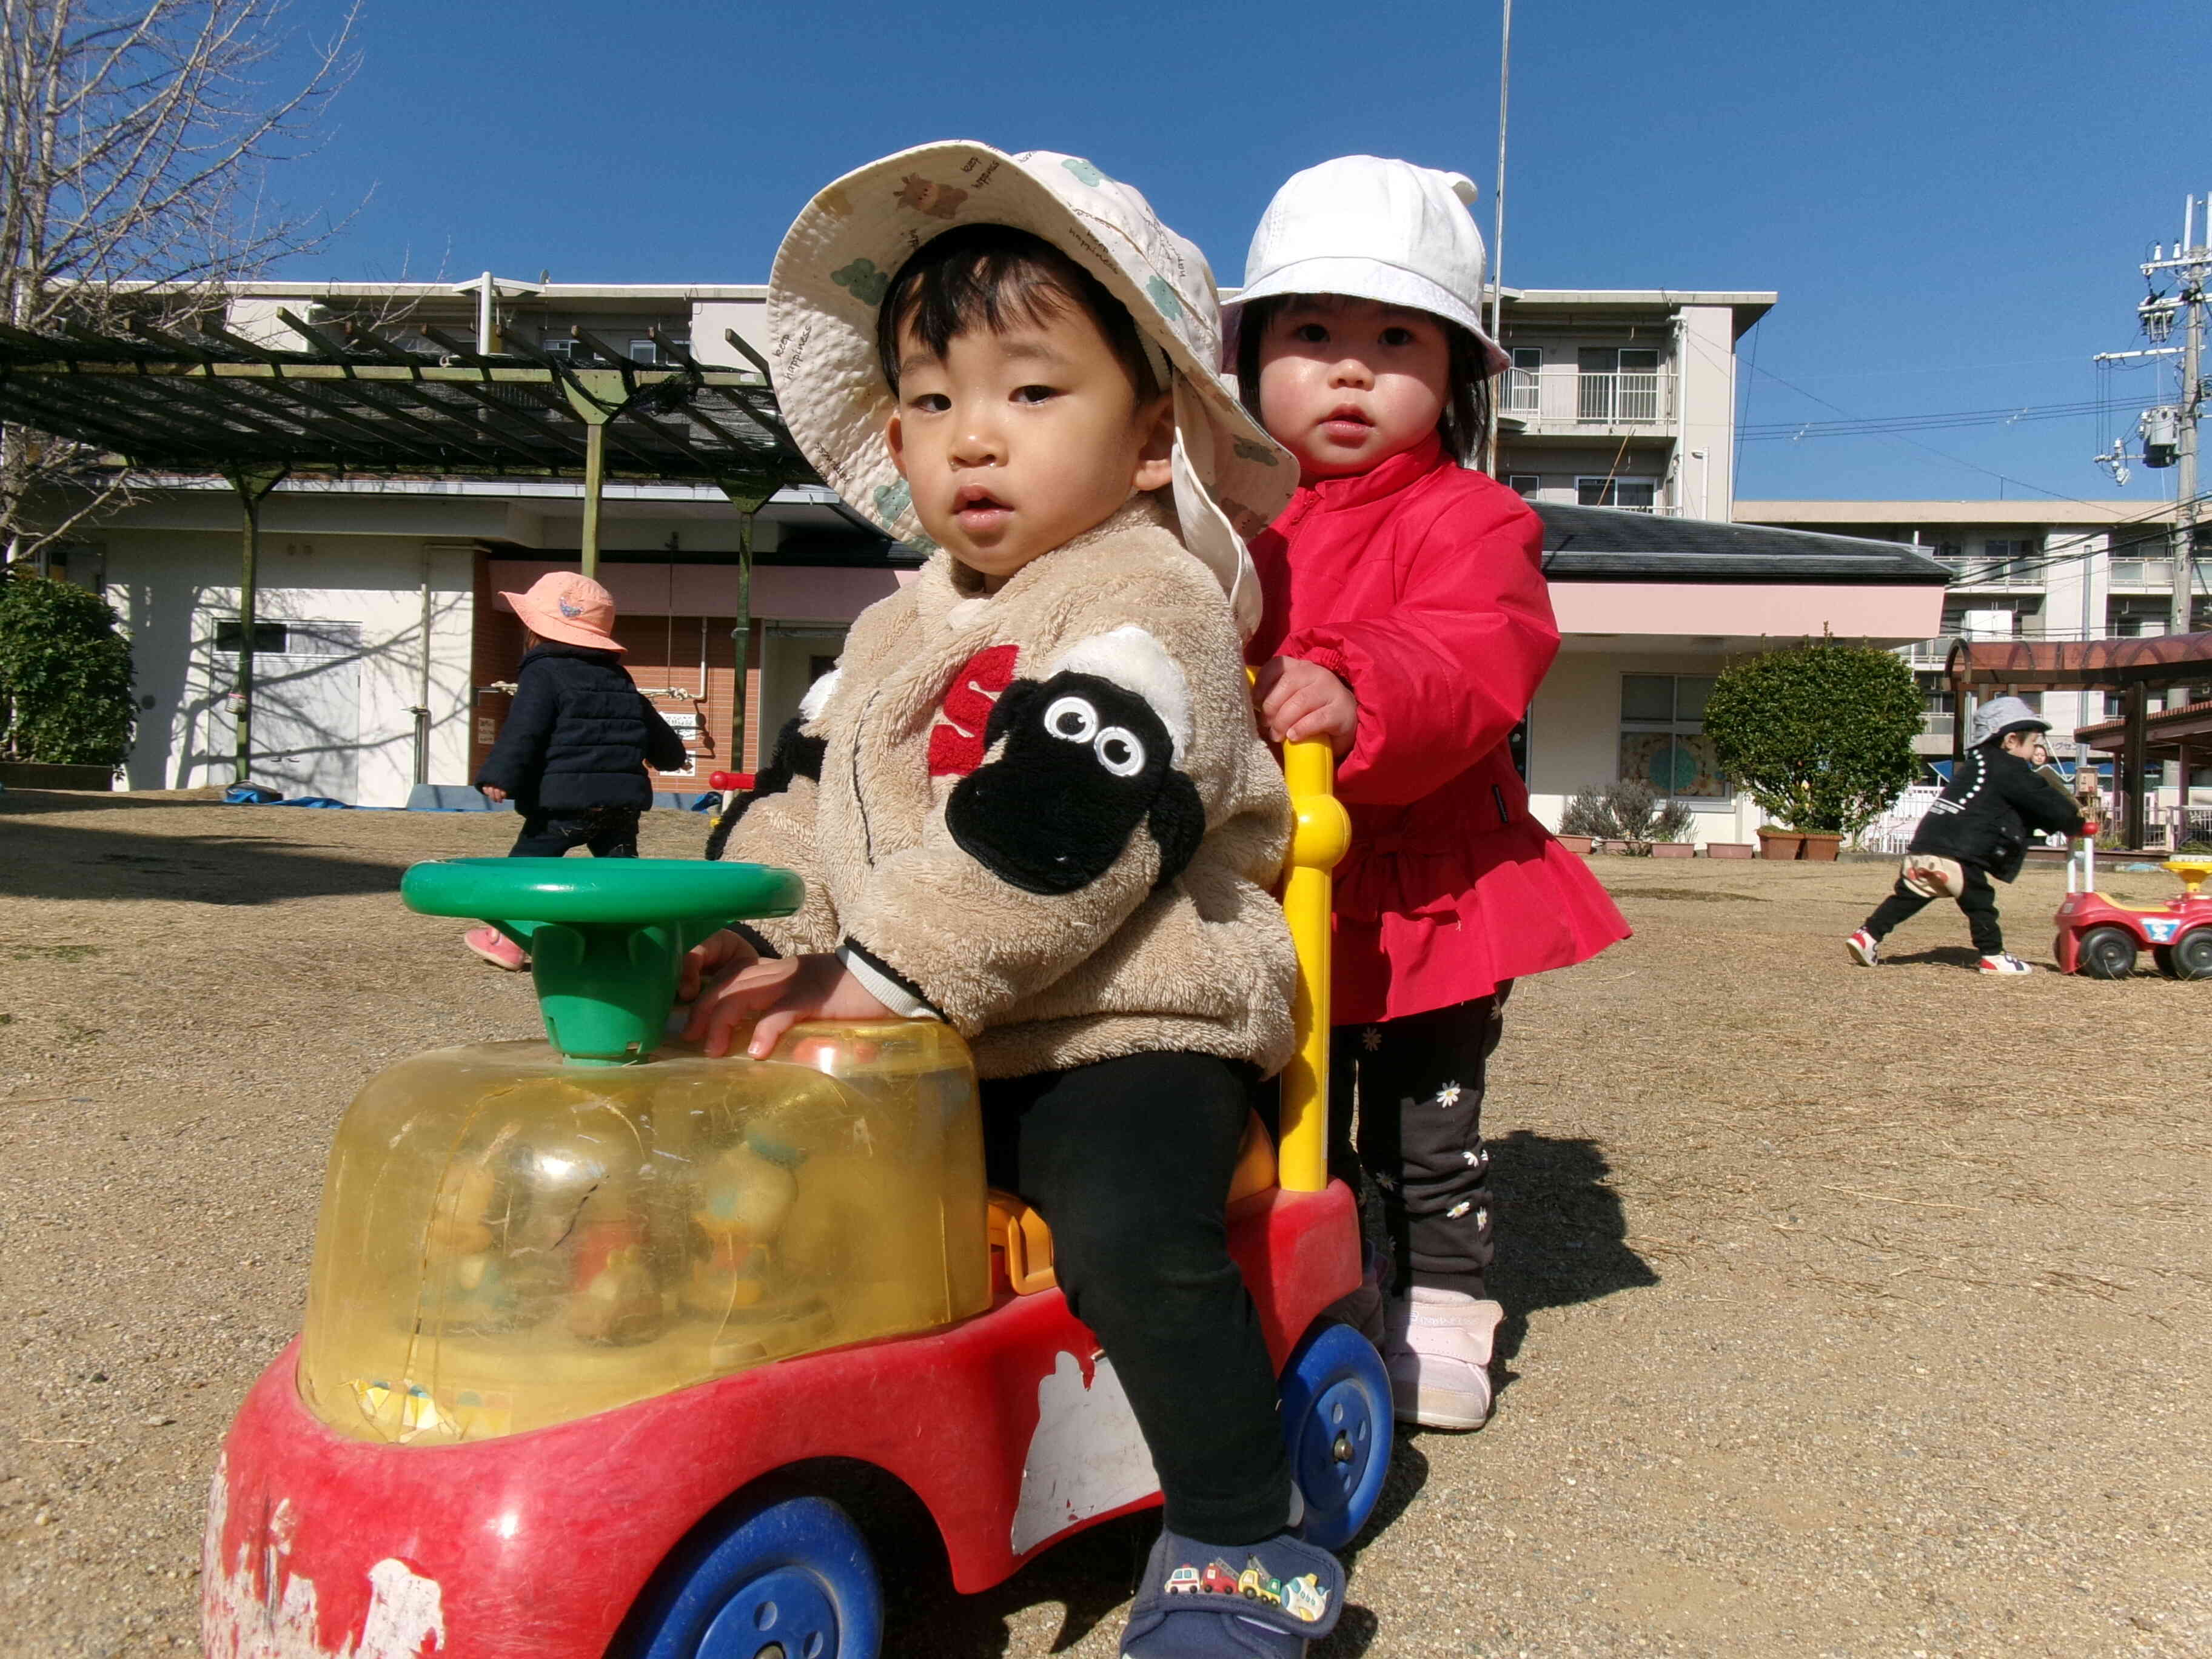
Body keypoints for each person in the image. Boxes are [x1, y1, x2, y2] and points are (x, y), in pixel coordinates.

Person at [679, 144, 1344, 1658]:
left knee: (1126, 1229)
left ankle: (1248, 1530)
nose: (974, 436)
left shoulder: (1145, 601)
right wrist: (709, 934)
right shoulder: (891, 629)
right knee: (726, 1184)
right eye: (931, 399)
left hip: (1127, 1020)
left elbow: (1066, 815)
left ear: (1149, 437)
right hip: (924, 1029)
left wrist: (877, 968)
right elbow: (802, 812)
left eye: (1034, 392)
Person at [1224, 155, 1631, 1433]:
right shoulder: (1218, 520)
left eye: (1395, 339)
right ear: (1248, 365)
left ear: (1452, 372)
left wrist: (1353, 687)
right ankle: (1305, 1294)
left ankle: (1445, 1307)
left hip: (1424, 880)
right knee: (1277, 1108)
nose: (1350, 369)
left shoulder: (1474, 516)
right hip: (1262, 877)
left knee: (1424, 1122)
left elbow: (1478, 650)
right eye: (1313, 335)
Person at [464, 571, 688, 970]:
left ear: (534, 629)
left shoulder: (542, 672)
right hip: (620, 805)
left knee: (524, 872)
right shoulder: (618, 677)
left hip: (561, 806)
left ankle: (511, 942)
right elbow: (651, 725)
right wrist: (671, 757)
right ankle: (630, 946)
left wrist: (499, 774)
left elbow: (525, 729)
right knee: (620, 878)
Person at [1846, 695, 2085, 974]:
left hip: (1926, 846)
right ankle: (1993, 956)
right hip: (1959, 853)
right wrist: (2074, 823)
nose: (2036, 749)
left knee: (1910, 896)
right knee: (1980, 903)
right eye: (2033, 743)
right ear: (2010, 741)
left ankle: (1868, 935)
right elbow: (2043, 801)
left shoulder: (1974, 765)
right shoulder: (2008, 767)